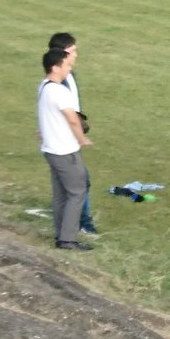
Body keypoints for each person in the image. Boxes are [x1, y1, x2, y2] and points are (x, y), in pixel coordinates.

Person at [38, 48, 93, 251]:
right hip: (65, 151)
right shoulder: (60, 91)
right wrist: (81, 139)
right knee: (77, 192)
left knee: (60, 194)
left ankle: (60, 234)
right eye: (65, 64)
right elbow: (72, 118)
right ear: (55, 67)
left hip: (51, 149)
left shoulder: (44, 87)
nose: (68, 68)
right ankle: (68, 239)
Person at [48, 32, 97, 236]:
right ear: (64, 52)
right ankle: (80, 225)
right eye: (74, 50)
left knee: (70, 185)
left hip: (64, 139)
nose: (76, 54)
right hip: (64, 140)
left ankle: (68, 227)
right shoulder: (58, 81)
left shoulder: (68, 76)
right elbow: (65, 112)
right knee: (79, 183)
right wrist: (80, 136)